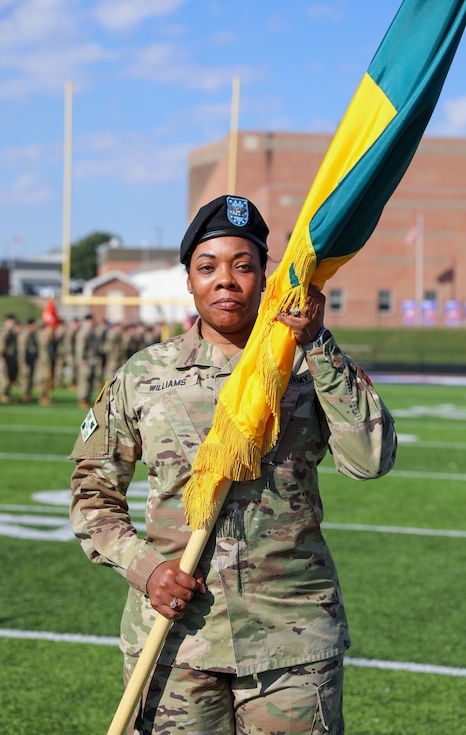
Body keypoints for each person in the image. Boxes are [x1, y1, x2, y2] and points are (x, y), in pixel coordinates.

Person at [70, 195, 397, 735]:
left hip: (291, 641)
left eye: (243, 266)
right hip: (175, 642)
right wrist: (146, 571)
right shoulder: (143, 376)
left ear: (266, 276)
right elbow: (91, 497)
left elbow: (371, 460)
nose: (226, 280)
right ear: (190, 281)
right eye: (208, 267)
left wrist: (316, 343)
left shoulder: (305, 363)